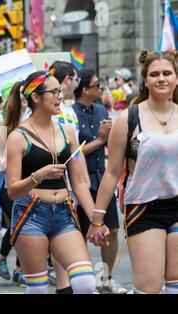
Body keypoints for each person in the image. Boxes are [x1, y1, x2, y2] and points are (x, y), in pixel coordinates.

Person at [6, 69, 106, 294]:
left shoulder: (68, 132)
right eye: (54, 92)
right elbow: (12, 190)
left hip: (63, 214)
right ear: (35, 97)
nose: (60, 96)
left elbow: (79, 183)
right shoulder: (17, 137)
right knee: (38, 289)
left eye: (60, 91)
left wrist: (95, 219)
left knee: (85, 283)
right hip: (30, 213)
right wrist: (38, 176)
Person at [90, 50, 178, 294]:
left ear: (176, 78)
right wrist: (97, 219)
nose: (161, 78)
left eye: (167, 73)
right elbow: (112, 172)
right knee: (149, 288)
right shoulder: (128, 118)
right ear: (146, 80)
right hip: (144, 209)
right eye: (155, 74)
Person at [73, 69, 127, 294]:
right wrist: (100, 139)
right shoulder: (70, 113)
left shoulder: (100, 109)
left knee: (113, 230)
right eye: (97, 86)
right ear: (85, 89)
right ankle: (85, 280)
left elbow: (110, 144)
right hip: (82, 183)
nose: (101, 89)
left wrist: (111, 138)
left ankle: (107, 277)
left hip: (102, 178)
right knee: (82, 233)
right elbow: (72, 153)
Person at [49, 61, 91, 293]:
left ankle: (65, 283)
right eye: (52, 91)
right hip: (41, 196)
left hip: (68, 188)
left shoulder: (69, 112)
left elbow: (77, 156)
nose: (58, 95)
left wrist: (83, 183)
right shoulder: (32, 115)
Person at [0, 81, 29, 286]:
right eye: (20, 93)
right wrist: (2, 159)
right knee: (18, 224)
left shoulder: (32, 118)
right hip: (6, 180)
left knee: (27, 224)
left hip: (29, 179)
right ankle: (2, 257)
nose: (24, 97)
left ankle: (20, 270)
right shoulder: (2, 120)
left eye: (27, 93)